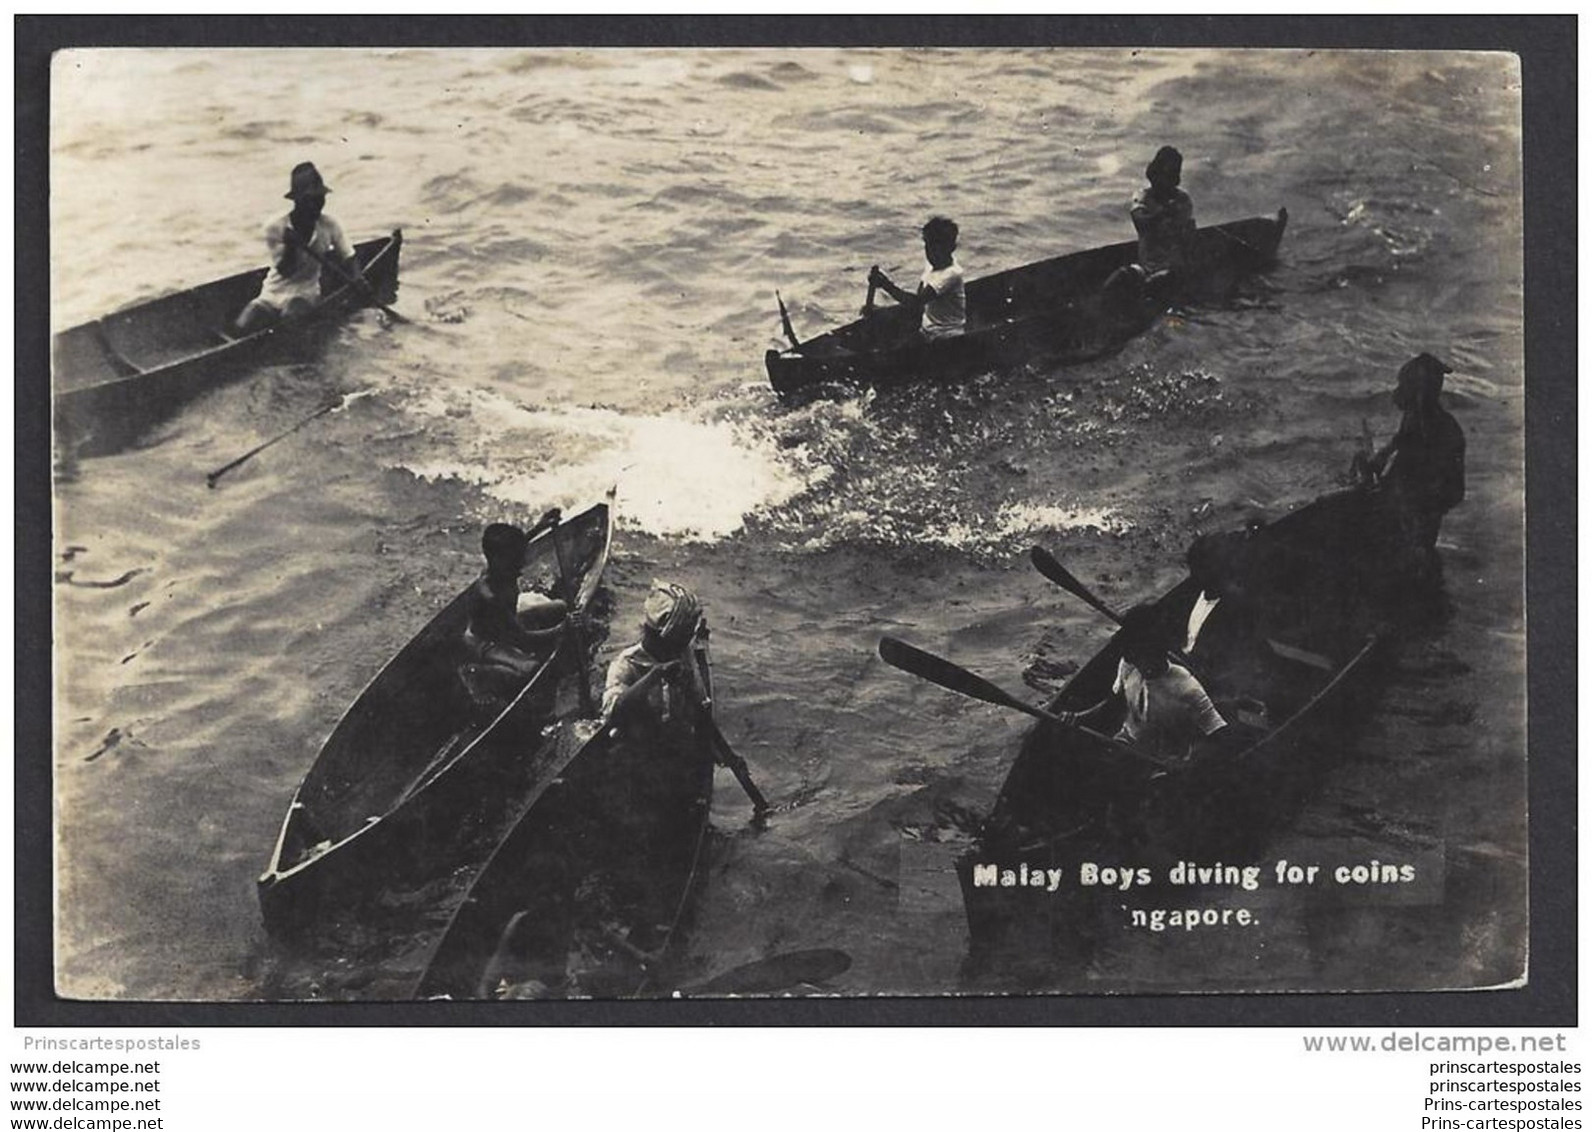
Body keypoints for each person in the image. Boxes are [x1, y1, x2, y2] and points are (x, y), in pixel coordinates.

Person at [1055, 604, 1228, 761]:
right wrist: (1079, 717)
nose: (1135, 661)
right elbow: (1113, 704)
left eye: (1140, 655)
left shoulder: (1187, 687)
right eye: (1132, 655)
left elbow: (1218, 732)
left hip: (1162, 762)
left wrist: (1190, 762)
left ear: (1158, 651)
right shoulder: (1128, 665)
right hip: (1125, 744)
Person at [1353, 353, 1467, 569]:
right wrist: (1382, 457)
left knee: (1413, 552)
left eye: (1403, 385)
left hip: (1420, 508)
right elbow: (1400, 441)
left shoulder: (1434, 428)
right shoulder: (1419, 418)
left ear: (1417, 392)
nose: (1397, 393)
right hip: (1415, 505)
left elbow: (1446, 486)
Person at [233, 162, 363, 335]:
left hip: (306, 293)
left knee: (291, 317)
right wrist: (291, 246)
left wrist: (358, 279)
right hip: (273, 292)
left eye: (320, 197)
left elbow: (349, 257)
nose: (319, 204)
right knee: (243, 324)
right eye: (312, 199)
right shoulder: (275, 227)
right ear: (298, 201)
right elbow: (286, 271)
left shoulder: (330, 224)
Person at [462, 511, 571, 681]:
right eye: (517, 558)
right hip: (486, 644)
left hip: (508, 625)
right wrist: (563, 629)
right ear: (500, 559)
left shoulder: (502, 565)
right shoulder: (490, 596)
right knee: (532, 668)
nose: (522, 561)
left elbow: (519, 545)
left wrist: (541, 526)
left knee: (561, 607)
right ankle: (478, 674)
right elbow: (523, 639)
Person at [601, 582, 708, 728]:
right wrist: (654, 676)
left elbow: (699, 701)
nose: (684, 645)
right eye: (680, 639)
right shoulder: (626, 664)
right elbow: (612, 713)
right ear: (663, 636)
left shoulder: (684, 654)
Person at [867, 216, 967, 340]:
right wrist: (882, 312)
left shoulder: (951, 274)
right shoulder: (930, 267)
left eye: (939, 248)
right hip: (928, 332)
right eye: (929, 247)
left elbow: (916, 302)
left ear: (952, 247)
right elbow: (918, 306)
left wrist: (886, 285)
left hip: (947, 337)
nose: (933, 253)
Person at [1129, 145, 1197, 277]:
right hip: (1148, 268)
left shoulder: (1182, 199)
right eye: (1161, 174)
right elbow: (1140, 221)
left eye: (1169, 175)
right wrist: (1163, 213)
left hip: (1176, 269)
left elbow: (1188, 237)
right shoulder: (1142, 196)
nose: (1163, 180)